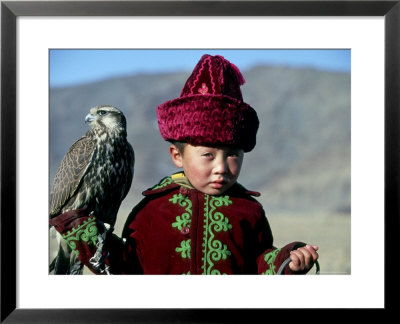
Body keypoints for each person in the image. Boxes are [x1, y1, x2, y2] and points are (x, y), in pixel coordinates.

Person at [50, 54, 319, 275]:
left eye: (233, 155)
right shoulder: (152, 210)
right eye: (208, 155)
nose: (221, 167)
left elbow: (260, 262)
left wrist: (287, 260)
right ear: (177, 156)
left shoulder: (249, 211)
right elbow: (127, 265)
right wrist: (83, 232)